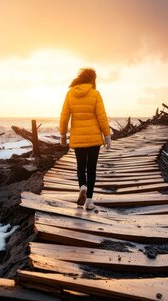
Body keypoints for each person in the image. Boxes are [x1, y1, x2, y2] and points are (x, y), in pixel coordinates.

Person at [59, 68, 111, 210]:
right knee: (92, 169)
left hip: (78, 138)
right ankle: (89, 201)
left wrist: (63, 135)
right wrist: (107, 135)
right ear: (92, 79)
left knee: (81, 166)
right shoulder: (95, 94)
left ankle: (82, 186)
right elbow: (102, 116)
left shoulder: (70, 94)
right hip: (94, 138)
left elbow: (64, 116)